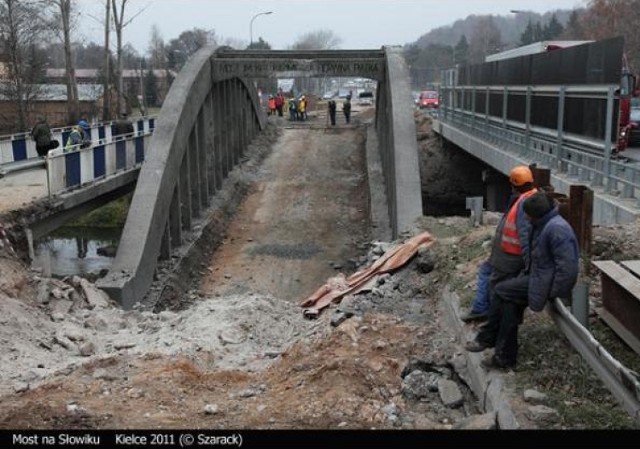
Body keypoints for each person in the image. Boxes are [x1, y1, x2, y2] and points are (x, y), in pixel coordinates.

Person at [465, 192, 579, 369]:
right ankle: (503, 356)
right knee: (509, 303)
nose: (525, 218)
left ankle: (491, 341)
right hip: (537, 278)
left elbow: (569, 268)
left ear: (538, 214)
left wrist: (554, 292)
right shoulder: (542, 224)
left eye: (529, 215)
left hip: (543, 282)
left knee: (502, 290)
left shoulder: (557, 229)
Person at [461, 166, 537, 323]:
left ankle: (488, 316)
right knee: (487, 273)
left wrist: (529, 266)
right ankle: (484, 310)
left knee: (496, 285)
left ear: (514, 184)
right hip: (506, 254)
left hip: (509, 257)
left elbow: (524, 236)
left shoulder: (524, 203)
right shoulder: (528, 198)